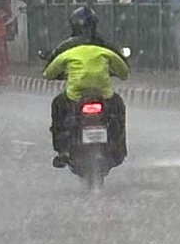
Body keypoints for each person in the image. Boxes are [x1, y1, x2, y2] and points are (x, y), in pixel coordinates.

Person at [42, 12, 130, 166]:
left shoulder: (67, 47)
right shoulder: (104, 46)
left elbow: (48, 72)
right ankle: (119, 148)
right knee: (118, 108)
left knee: (58, 106)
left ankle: (62, 150)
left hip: (75, 96)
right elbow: (124, 71)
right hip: (104, 94)